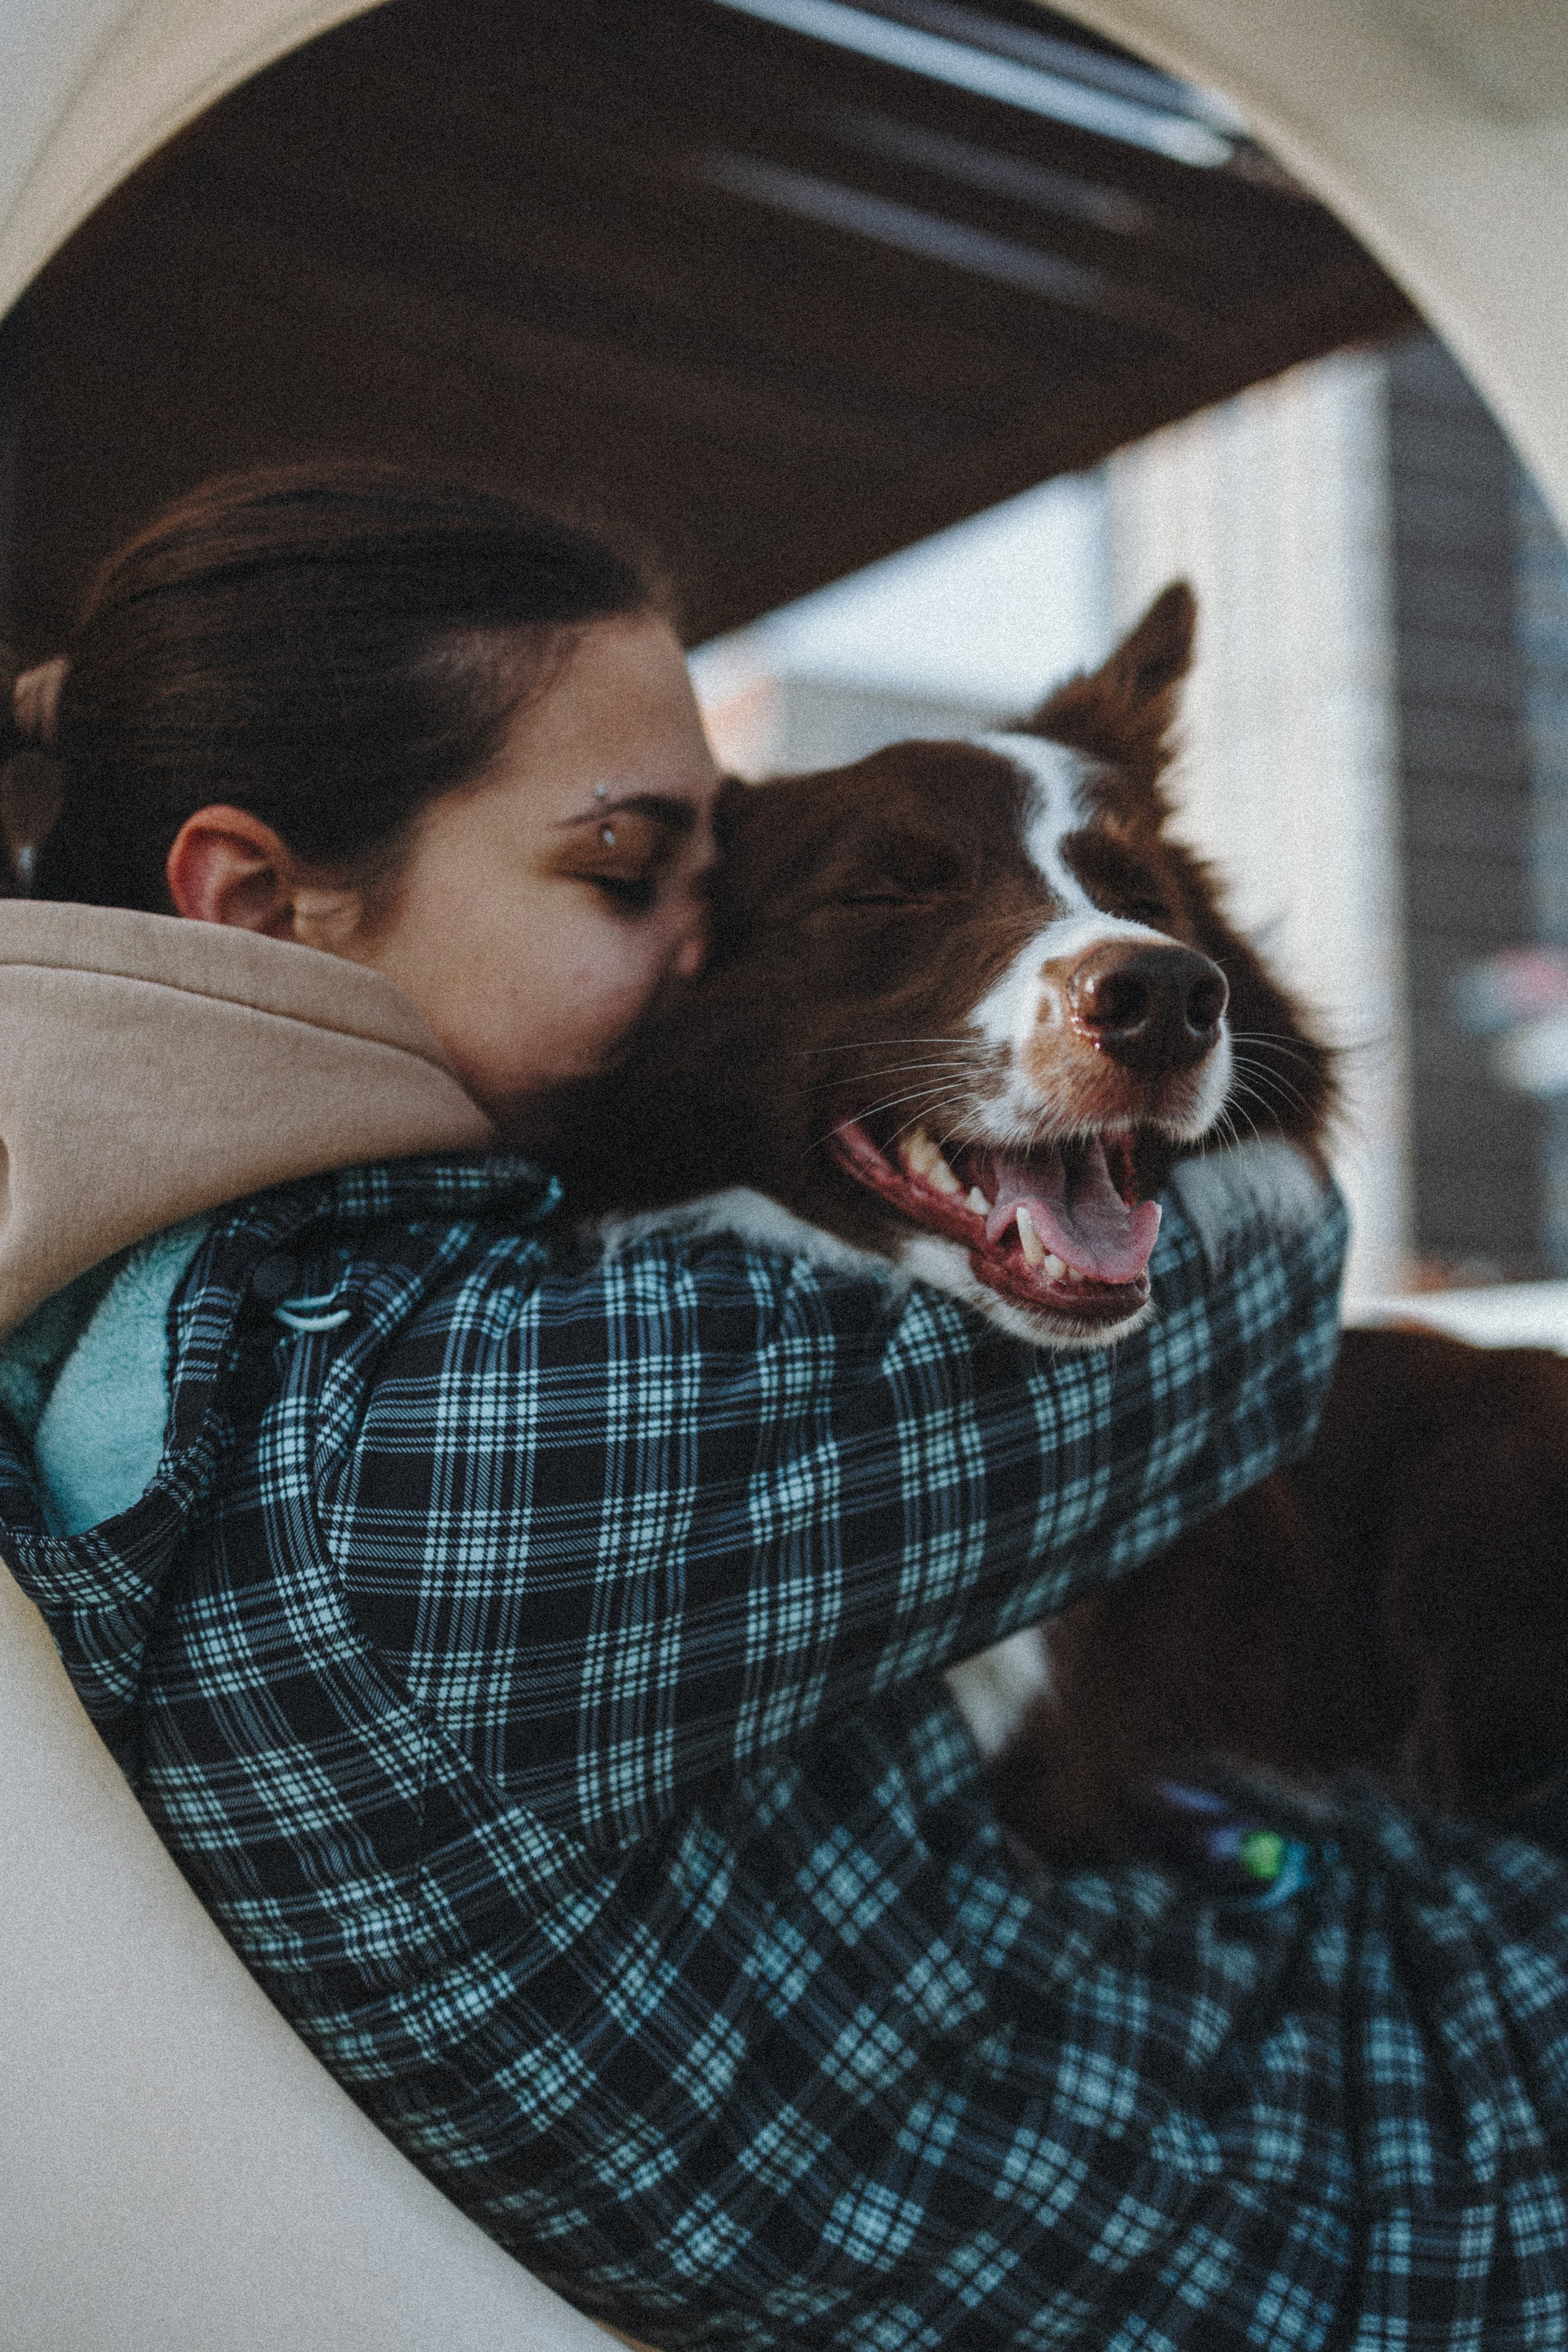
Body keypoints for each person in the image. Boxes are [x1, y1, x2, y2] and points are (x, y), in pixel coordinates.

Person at [0, 461, 1561, 2350]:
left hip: (1300, 2019)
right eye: (622, 873)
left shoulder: (185, 1348)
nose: (695, 948)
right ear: (263, 904)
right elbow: (1268, 1250)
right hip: (1395, 2192)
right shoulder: (443, 1459)